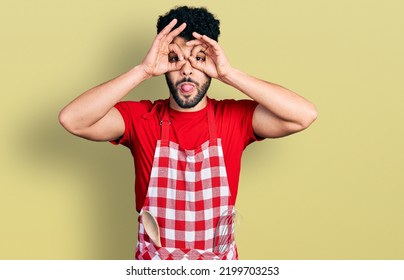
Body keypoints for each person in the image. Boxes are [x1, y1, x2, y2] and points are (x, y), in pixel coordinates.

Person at [59, 6, 317, 260]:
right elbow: (73, 120)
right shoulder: (141, 119)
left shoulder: (234, 118)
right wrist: (143, 71)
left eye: (199, 59)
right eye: (174, 58)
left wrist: (229, 74)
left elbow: (304, 115)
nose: (186, 69)